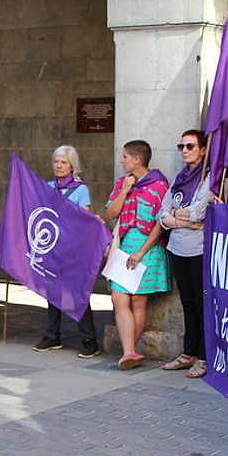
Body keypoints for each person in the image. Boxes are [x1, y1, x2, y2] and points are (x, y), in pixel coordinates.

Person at [140, 130, 211, 377]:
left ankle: (204, 355)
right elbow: (162, 212)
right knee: (187, 303)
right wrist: (183, 220)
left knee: (201, 304)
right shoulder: (180, 177)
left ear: (203, 149)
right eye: (181, 146)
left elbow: (198, 212)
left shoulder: (208, 177)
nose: (185, 151)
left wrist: (181, 217)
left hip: (198, 248)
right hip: (178, 247)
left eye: (191, 146)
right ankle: (188, 352)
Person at [102, 139, 170, 370]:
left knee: (139, 301)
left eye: (125, 157)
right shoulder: (123, 182)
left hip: (149, 246)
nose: (121, 161)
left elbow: (161, 222)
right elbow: (111, 213)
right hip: (125, 244)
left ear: (137, 160)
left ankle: (130, 351)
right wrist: (125, 190)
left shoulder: (160, 185)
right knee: (118, 297)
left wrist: (142, 251)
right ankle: (130, 351)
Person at [32, 145, 100, 358]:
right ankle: (52, 335)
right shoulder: (48, 187)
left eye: (64, 162)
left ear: (72, 166)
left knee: (76, 293)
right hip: (52, 247)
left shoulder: (81, 190)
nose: (59, 165)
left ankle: (89, 339)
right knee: (52, 291)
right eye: (56, 161)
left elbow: (84, 218)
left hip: (73, 249)